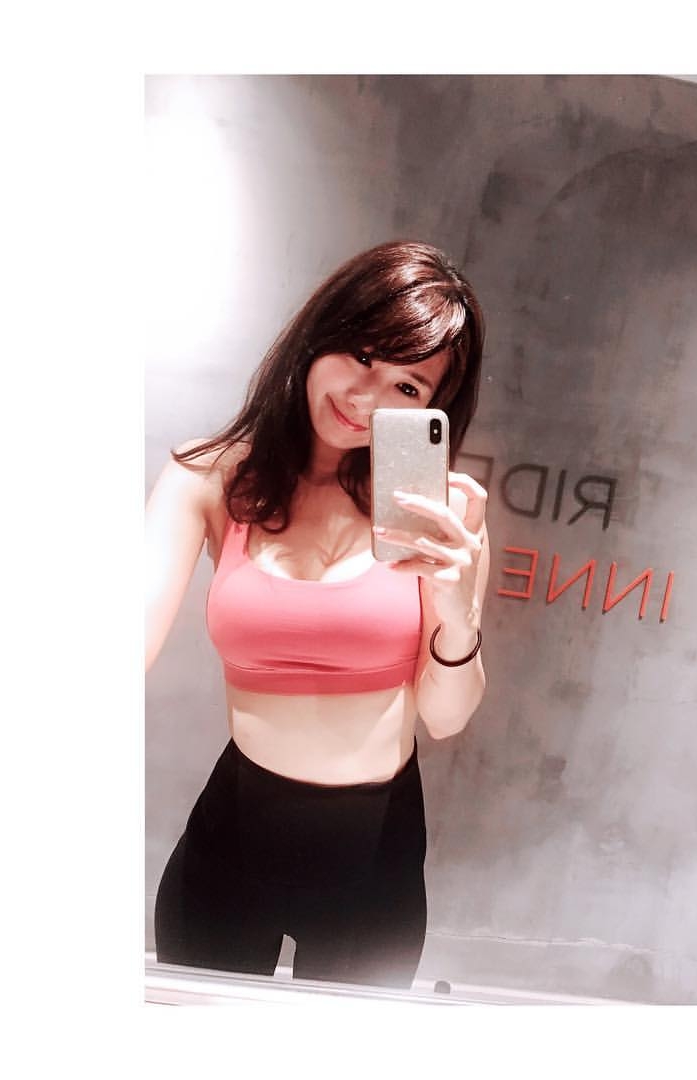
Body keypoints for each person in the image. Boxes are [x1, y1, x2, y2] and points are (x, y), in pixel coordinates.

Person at [145, 240, 489, 989]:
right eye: (360, 355)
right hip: (236, 832)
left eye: (407, 385)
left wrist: (456, 611)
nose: (364, 397)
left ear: (432, 409)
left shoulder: (442, 516)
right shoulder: (208, 477)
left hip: (374, 852)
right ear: (319, 332)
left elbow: (446, 717)